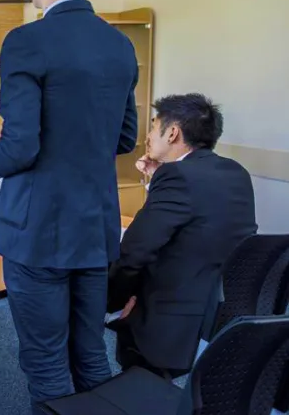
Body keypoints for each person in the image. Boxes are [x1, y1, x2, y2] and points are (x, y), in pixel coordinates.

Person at [0, 0, 138, 414]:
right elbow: (127, 138)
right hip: (95, 230)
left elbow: (19, 147)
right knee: (90, 354)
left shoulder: (26, 41)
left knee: (46, 362)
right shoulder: (119, 44)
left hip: (38, 232)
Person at [108, 94, 257, 377]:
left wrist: (112, 303)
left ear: (173, 132)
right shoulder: (236, 172)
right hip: (218, 317)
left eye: (153, 127)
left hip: (168, 325)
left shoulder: (178, 177)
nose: (149, 136)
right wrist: (157, 182)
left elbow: (135, 250)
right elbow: (195, 226)